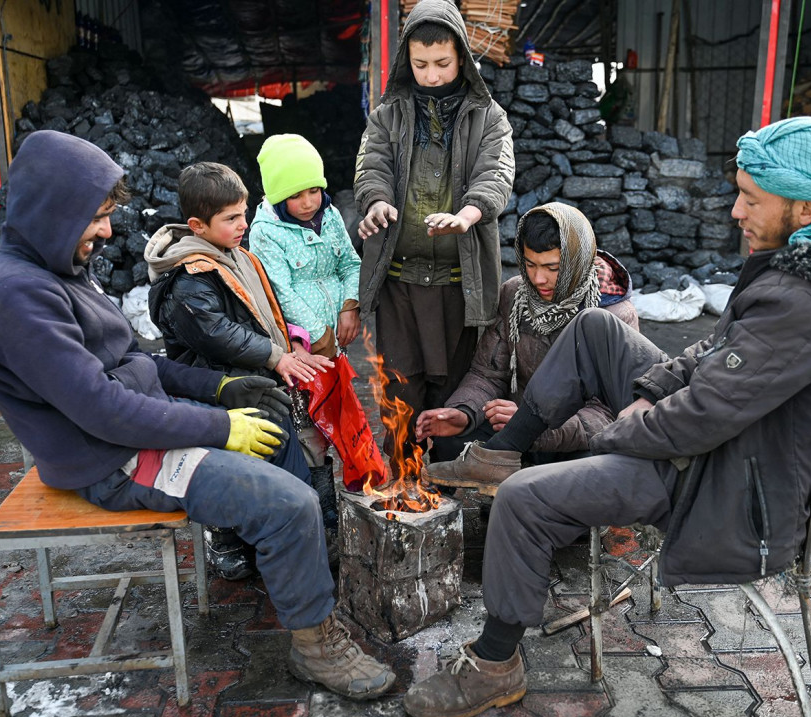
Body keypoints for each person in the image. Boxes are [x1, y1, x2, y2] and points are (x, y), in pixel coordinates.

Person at [404, 116, 811, 717]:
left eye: (750, 199)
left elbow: (701, 418)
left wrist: (620, 430)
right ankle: (504, 449)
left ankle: (496, 665)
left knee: (523, 499)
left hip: (726, 481)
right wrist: (654, 389)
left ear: (806, 209)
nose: (736, 211)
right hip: (727, 445)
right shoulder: (807, 265)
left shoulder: (804, 303)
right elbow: (711, 354)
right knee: (596, 328)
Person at [0, 130, 395, 701]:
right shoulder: (17, 298)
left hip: (140, 425)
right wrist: (222, 426)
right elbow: (106, 412)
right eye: (95, 217)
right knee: (287, 504)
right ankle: (314, 644)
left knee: (273, 430)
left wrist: (224, 386)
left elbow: (140, 363)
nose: (107, 231)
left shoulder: (54, 270)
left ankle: (294, 567)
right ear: (53, 211)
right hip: (115, 459)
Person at [145, 161, 334, 581]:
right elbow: (217, 333)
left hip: (251, 378)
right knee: (253, 453)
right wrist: (275, 356)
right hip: (213, 390)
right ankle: (229, 534)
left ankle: (302, 531)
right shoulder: (189, 277)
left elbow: (263, 312)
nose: (242, 224)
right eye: (230, 218)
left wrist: (295, 342)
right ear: (197, 225)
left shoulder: (236, 256)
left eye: (243, 213)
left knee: (300, 440)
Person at [353, 0, 514, 463]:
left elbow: (496, 173)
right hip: (399, 284)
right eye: (421, 65)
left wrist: (468, 214)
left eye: (442, 63)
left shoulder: (489, 117)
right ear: (408, 60)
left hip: (459, 285)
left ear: (461, 56)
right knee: (400, 392)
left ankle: (449, 486)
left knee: (456, 394)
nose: (432, 75)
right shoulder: (389, 114)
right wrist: (376, 201)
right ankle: (403, 488)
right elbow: (372, 166)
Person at [414, 202, 638, 477]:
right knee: (450, 441)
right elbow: (487, 374)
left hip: (571, 436)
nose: (538, 278)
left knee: (596, 463)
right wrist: (464, 412)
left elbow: (606, 413)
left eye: (552, 267)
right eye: (529, 264)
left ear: (576, 260)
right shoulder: (515, 294)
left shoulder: (613, 314)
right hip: (514, 425)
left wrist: (530, 425)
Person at [247, 133, 367, 508]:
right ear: (279, 196)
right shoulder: (266, 232)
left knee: (340, 414)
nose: (308, 202)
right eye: (296, 195)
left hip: (335, 343)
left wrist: (350, 305)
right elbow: (281, 293)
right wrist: (320, 333)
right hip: (300, 347)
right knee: (308, 426)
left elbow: (350, 262)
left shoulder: (328, 215)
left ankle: (353, 482)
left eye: (314, 190)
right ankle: (321, 504)